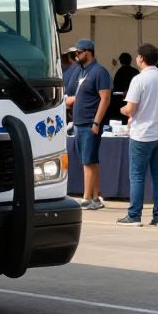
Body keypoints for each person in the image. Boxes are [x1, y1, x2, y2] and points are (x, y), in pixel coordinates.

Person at [117, 43, 158, 227]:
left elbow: (130, 108)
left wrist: (122, 109)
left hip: (142, 134)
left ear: (141, 59)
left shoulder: (138, 80)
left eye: (138, 56)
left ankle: (134, 215)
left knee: (137, 176)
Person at [65, 38, 111, 210]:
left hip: (89, 122)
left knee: (88, 161)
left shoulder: (99, 71)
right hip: (79, 122)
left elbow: (105, 98)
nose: (76, 55)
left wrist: (96, 122)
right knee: (90, 161)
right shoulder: (80, 71)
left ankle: (87, 198)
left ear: (88, 52)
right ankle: (95, 198)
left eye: (78, 52)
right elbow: (72, 93)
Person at [111, 52, 140, 122]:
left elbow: (115, 86)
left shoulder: (119, 72)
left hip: (120, 100)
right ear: (130, 60)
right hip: (134, 100)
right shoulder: (135, 71)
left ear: (120, 61)